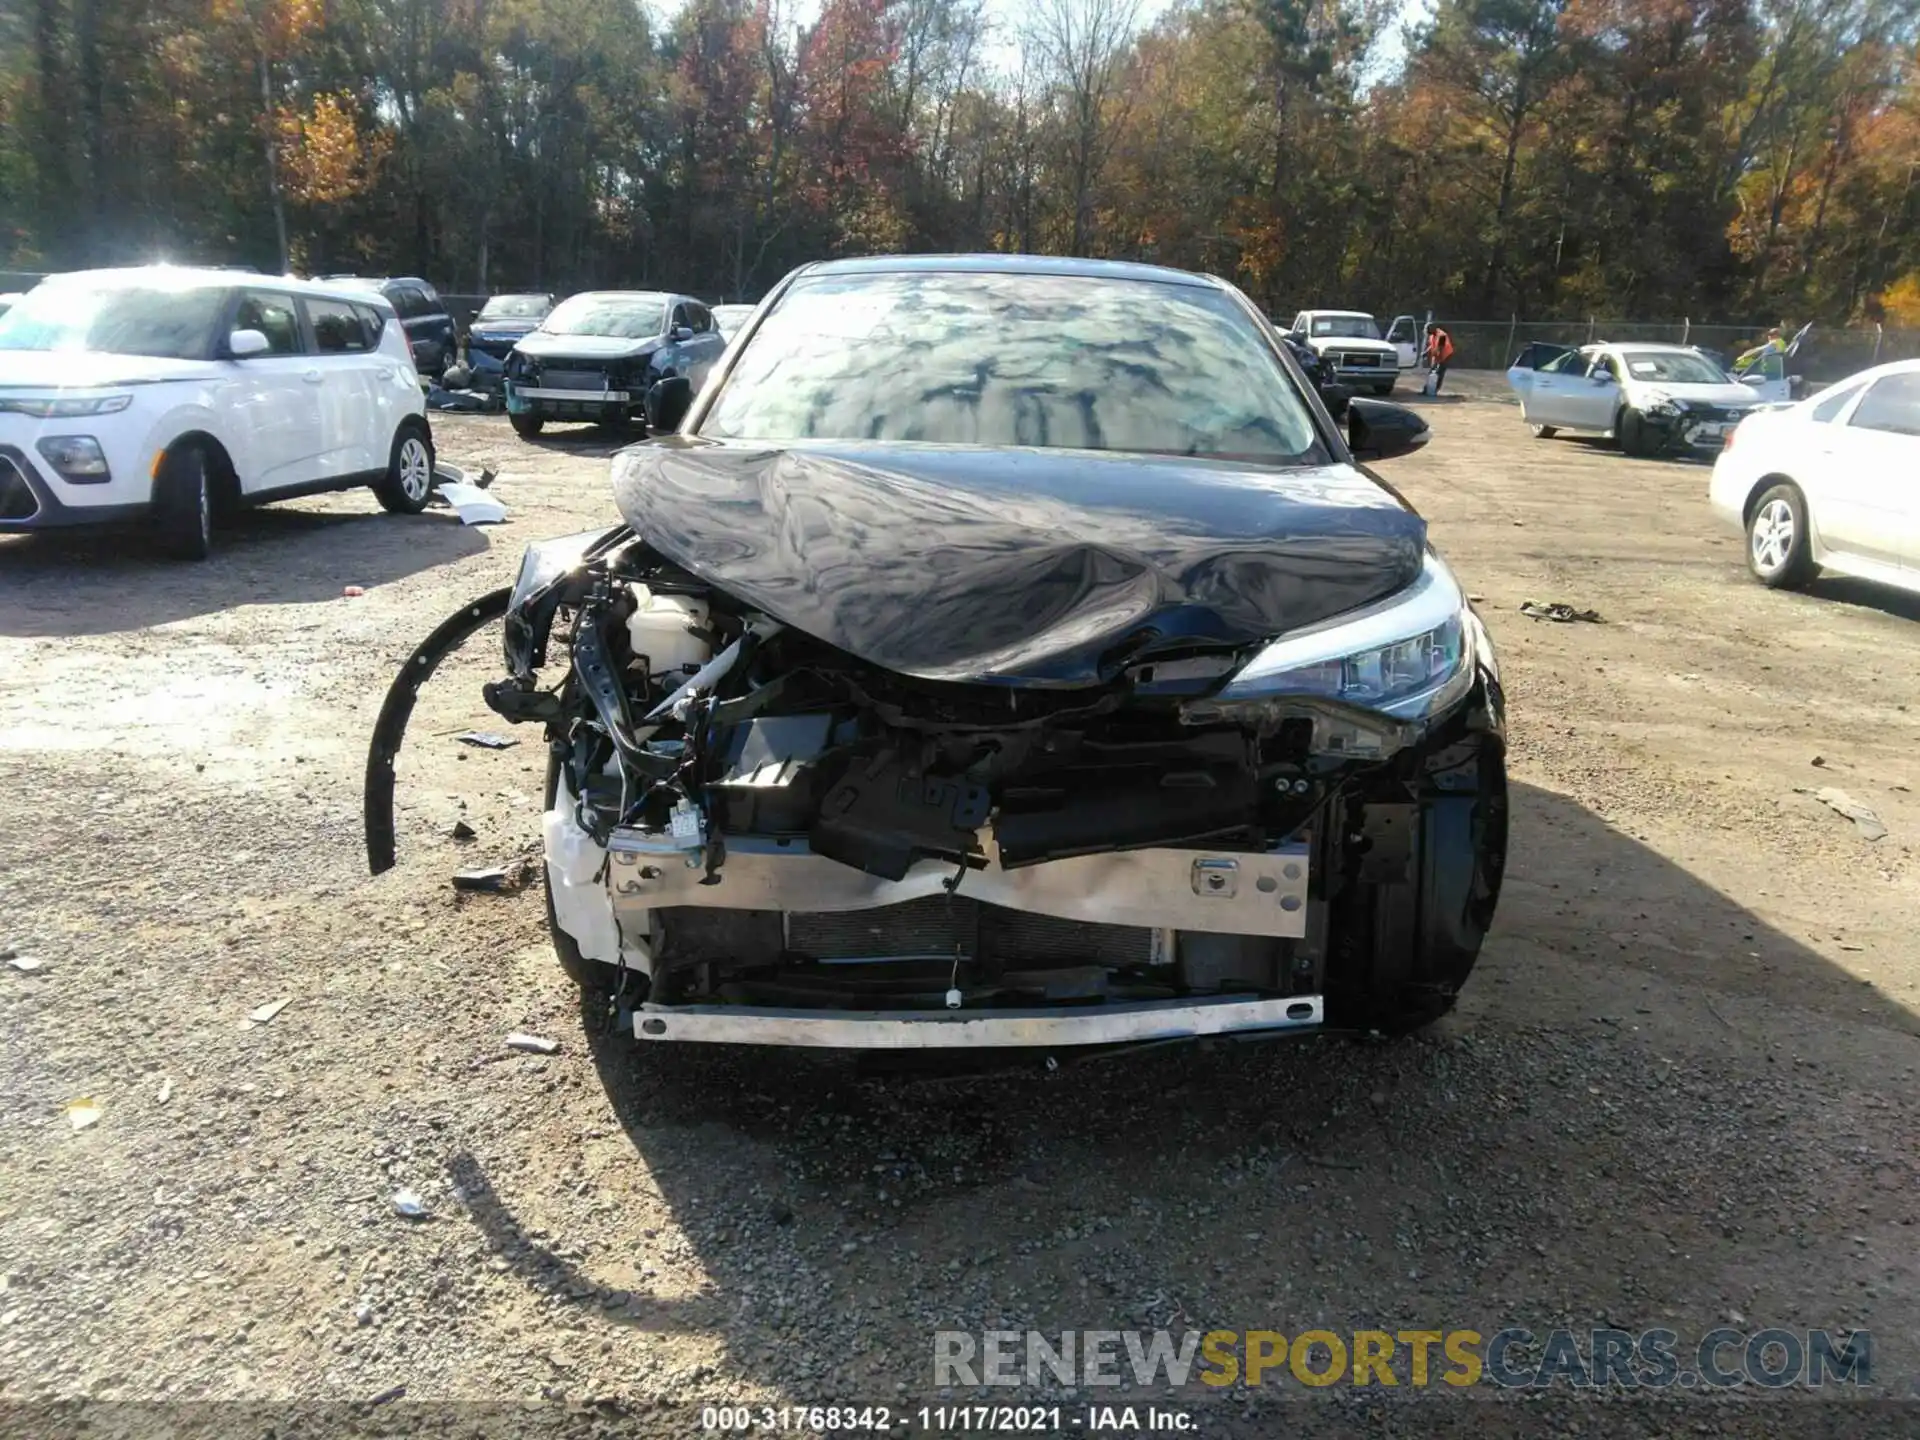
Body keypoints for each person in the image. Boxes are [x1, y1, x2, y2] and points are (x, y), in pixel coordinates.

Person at [1423, 323, 1455, 394]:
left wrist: (1437, 362)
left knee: (1439, 373)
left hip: (1446, 355)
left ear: (1432, 329)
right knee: (1432, 372)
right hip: (1438, 355)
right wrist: (1425, 353)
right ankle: (1427, 389)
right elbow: (1432, 345)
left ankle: (1435, 389)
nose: (1427, 332)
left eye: (1427, 330)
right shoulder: (1432, 335)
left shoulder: (1442, 336)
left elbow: (1440, 349)